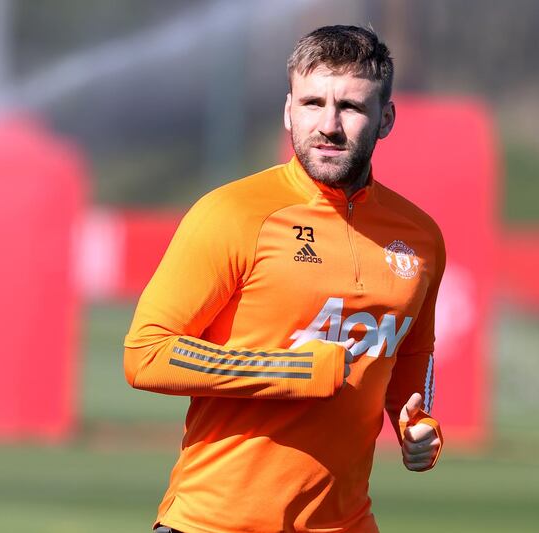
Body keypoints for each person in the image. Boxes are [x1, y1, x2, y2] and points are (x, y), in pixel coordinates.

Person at [124, 24, 445, 533]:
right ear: (287, 110)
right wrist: (293, 371)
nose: (330, 125)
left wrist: (419, 426)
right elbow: (146, 354)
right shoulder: (232, 213)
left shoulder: (420, 237)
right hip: (213, 523)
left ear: (386, 119)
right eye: (313, 103)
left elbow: (411, 359)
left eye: (353, 107)